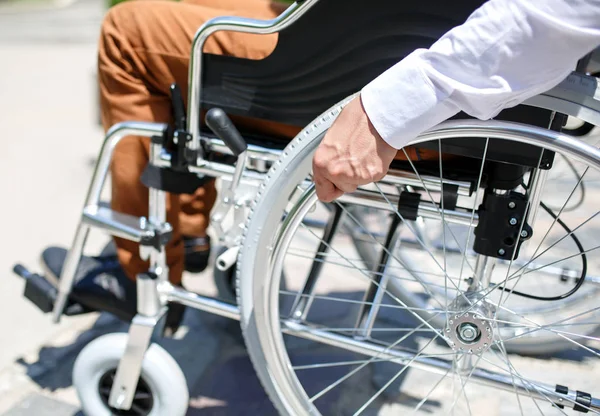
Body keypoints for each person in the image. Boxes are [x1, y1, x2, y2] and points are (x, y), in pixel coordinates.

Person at [83, 0, 599, 321]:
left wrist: (391, 108)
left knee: (127, 32)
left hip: (384, 67)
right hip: (394, 41)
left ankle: (139, 272)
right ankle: (188, 234)